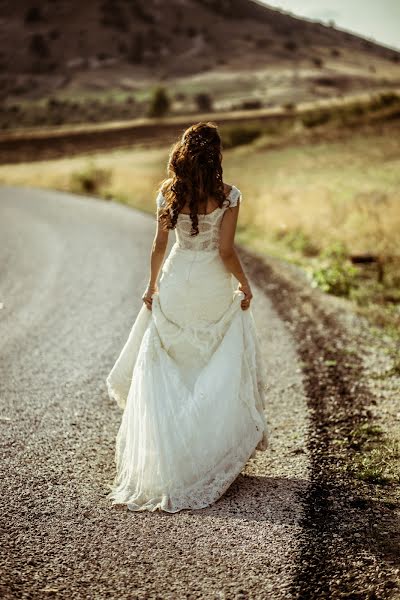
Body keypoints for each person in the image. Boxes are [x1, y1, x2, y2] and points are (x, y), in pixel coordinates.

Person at [106, 121, 269, 513]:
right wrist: (245, 285)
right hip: (211, 282)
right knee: (210, 362)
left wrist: (151, 286)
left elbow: (159, 245)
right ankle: (207, 453)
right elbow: (227, 251)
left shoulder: (167, 193)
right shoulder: (229, 196)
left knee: (172, 363)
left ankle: (172, 456)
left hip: (177, 279)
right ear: (216, 156)